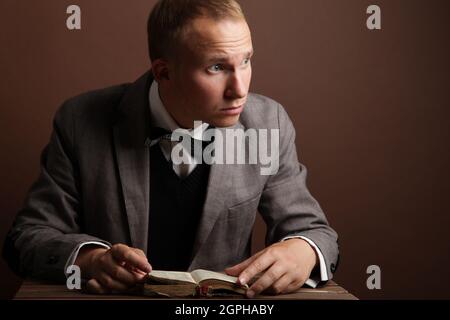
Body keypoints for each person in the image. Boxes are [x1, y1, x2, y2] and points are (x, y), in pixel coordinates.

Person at [3, 0, 339, 298]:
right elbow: (26, 238)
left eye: (246, 61)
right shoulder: (80, 121)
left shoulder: (269, 123)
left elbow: (316, 233)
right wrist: (90, 260)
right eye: (217, 67)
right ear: (164, 72)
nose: (240, 90)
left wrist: (304, 251)